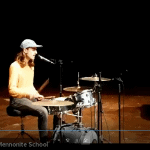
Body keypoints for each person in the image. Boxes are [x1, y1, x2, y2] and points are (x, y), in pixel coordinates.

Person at [8, 39, 49, 143]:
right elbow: (11, 90)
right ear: (25, 50)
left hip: (28, 98)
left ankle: (57, 136)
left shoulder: (31, 66)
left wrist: (36, 94)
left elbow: (30, 86)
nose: (36, 52)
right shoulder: (15, 66)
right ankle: (44, 141)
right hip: (17, 100)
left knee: (55, 107)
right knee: (43, 112)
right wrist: (28, 94)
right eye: (33, 49)